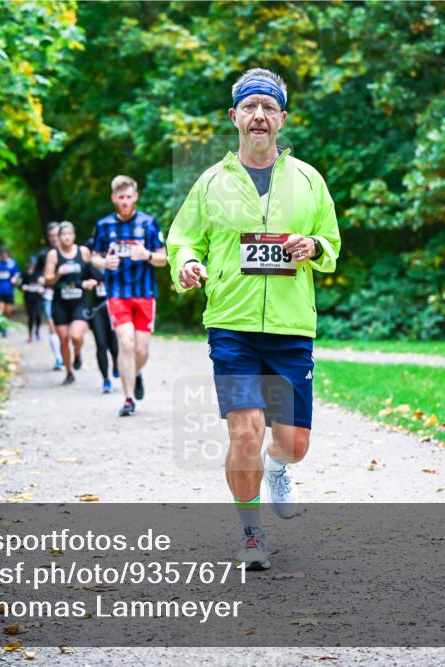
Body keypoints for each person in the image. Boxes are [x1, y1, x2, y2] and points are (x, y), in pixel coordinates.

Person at [166, 68, 341, 570]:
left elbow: (331, 242)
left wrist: (316, 246)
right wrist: (186, 265)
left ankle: (279, 469)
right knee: (245, 432)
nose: (258, 116)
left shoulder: (309, 180)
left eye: (268, 107)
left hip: (290, 328)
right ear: (234, 117)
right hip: (232, 324)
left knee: (292, 444)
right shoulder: (212, 182)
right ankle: (249, 533)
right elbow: (182, 240)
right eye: (249, 107)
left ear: (282, 119)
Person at [90, 175, 168, 416]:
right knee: (126, 343)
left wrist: (146, 254)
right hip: (117, 292)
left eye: (128, 196)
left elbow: (163, 259)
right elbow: (93, 256)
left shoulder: (148, 223)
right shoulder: (104, 225)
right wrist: (104, 262)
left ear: (135, 197)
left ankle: (134, 374)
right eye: (120, 197)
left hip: (144, 292)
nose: (125, 201)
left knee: (141, 351)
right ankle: (128, 398)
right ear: (114, 198)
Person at [42, 221, 91, 385]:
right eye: (63, 234)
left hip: (79, 301)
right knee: (63, 339)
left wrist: (90, 282)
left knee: (76, 336)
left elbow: (92, 272)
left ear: (74, 235)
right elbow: (47, 280)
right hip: (60, 303)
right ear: (59, 237)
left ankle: (77, 353)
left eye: (69, 234)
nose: (66, 237)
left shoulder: (83, 252)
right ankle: (69, 372)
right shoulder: (53, 255)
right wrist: (58, 274)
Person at [82, 259, 120, 394]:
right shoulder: (90, 266)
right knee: (101, 344)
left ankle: (116, 363)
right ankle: (106, 379)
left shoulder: (118, 259)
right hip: (97, 309)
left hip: (115, 307)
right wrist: (85, 284)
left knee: (115, 346)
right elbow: (78, 282)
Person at [34, 223, 64, 370]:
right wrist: (40, 281)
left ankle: (71, 355)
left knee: (67, 330)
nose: (54, 239)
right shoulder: (43, 255)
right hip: (50, 295)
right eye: (51, 236)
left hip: (69, 296)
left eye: (56, 235)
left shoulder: (71, 252)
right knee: (53, 327)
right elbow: (38, 274)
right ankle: (59, 358)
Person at [19, 257, 44, 343]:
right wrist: (22, 287)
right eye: (31, 264)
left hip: (38, 298)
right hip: (28, 298)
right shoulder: (25, 274)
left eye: (33, 264)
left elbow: (44, 283)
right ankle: (30, 334)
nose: (32, 266)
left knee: (38, 315)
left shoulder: (39, 274)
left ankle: (37, 330)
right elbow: (20, 284)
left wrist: (42, 287)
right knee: (30, 316)